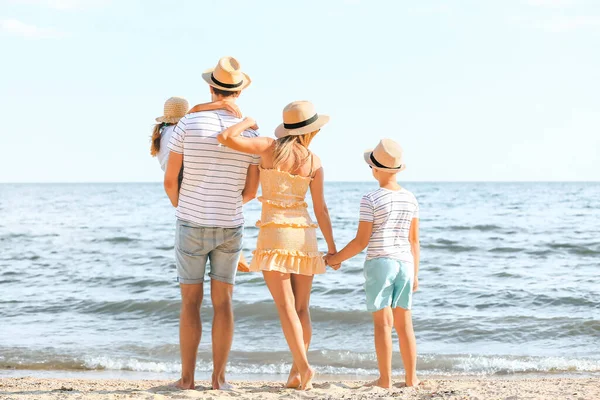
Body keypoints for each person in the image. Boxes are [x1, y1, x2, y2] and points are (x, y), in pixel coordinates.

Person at [217, 100, 339, 390]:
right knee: (302, 308)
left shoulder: (268, 148)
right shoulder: (314, 161)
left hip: (275, 234)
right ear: (312, 131)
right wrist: (332, 249)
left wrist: (247, 122)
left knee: (285, 308)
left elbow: (226, 138)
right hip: (305, 234)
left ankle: (305, 369)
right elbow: (321, 209)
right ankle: (296, 374)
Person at [163, 56, 259, 390]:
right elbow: (251, 191)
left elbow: (170, 181)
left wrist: (186, 207)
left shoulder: (187, 126)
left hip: (190, 223)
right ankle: (219, 380)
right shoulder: (251, 131)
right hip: (230, 225)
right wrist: (225, 202)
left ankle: (187, 380)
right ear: (239, 91)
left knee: (190, 302)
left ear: (210, 87)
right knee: (224, 302)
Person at [324, 139, 421, 389]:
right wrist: (416, 274)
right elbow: (414, 241)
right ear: (398, 169)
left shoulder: (371, 198)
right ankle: (412, 379)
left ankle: (386, 380)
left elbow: (361, 241)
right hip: (406, 264)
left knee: (383, 325)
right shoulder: (410, 199)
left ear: (374, 169)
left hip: (381, 263)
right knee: (405, 324)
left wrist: (334, 259)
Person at [151, 96, 242, 187]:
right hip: (184, 180)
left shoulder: (163, 132)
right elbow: (196, 110)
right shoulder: (178, 130)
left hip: (175, 181)